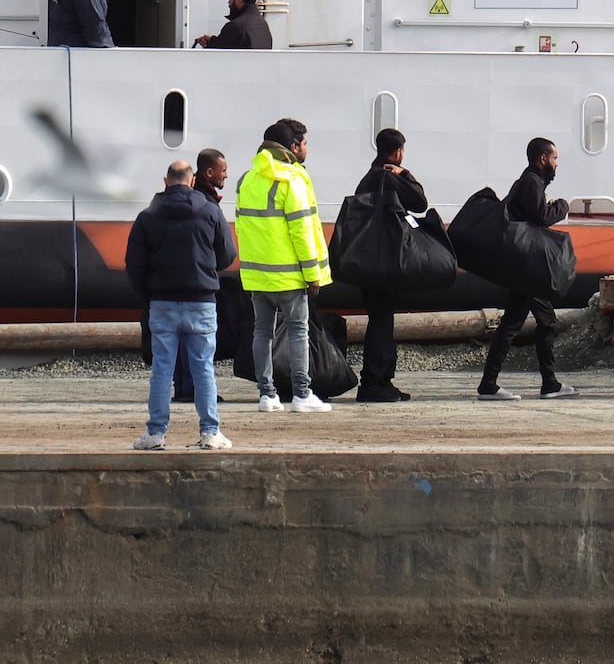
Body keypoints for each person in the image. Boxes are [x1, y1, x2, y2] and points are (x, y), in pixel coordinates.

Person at [125, 159, 238, 450]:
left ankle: (155, 433)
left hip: (162, 302)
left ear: (166, 181)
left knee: (163, 369)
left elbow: (134, 265)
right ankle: (210, 432)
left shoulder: (147, 217)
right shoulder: (210, 211)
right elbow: (227, 255)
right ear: (191, 181)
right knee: (203, 369)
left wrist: (148, 296)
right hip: (201, 301)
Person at [235, 118, 333, 414]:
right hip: (289, 276)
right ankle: (302, 395)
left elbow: (242, 227)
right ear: (293, 147)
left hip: (257, 275)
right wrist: (312, 272)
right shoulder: (292, 180)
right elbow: (302, 231)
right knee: (298, 332)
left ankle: (267, 395)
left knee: (261, 333)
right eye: (304, 144)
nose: (306, 149)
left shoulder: (246, 179)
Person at [478, 137, 577, 401]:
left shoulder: (529, 181)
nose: (557, 164)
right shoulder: (532, 181)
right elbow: (541, 217)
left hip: (523, 265)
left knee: (535, 321)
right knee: (527, 323)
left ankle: (546, 383)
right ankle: (497, 384)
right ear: (542, 159)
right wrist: (562, 207)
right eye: (554, 158)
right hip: (526, 266)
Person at [350, 127, 425, 404]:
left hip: (367, 260)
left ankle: (380, 380)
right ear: (397, 152)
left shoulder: (367, 178)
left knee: (379, 319)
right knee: (382, 321)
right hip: (385, 261)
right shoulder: (389, 177)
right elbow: (420, 201)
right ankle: (374, 382)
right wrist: (405, 174)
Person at [196, 0, 274, 49]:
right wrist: (212, 41)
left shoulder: (235, 27)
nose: (229, 2)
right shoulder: (263, 25)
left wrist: (211, 44)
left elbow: (219, 55)